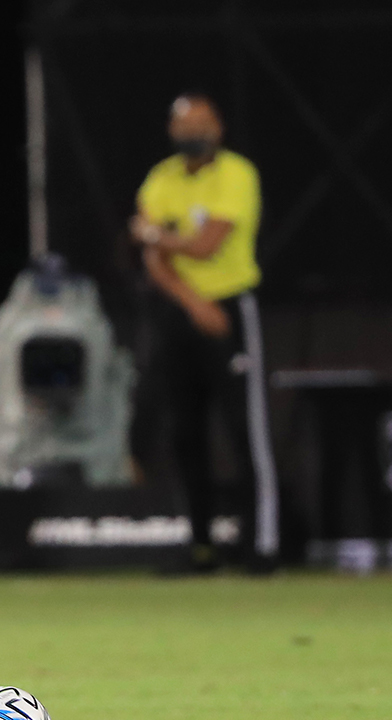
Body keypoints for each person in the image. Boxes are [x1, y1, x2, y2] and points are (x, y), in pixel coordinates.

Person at [129, 93, 278, 573]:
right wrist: (193, 303)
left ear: (219, 126)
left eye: (203, 122)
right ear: (173, 132)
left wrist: (156, 235)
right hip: (183, 311)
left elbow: (205, 245)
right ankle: (200, 547)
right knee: (184, 432)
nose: (195, 131)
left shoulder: (237, 174)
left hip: (231, 308)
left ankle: (262, 547)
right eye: (185, 124)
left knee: (243, 431)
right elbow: (155, 260)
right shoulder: (162, 178)